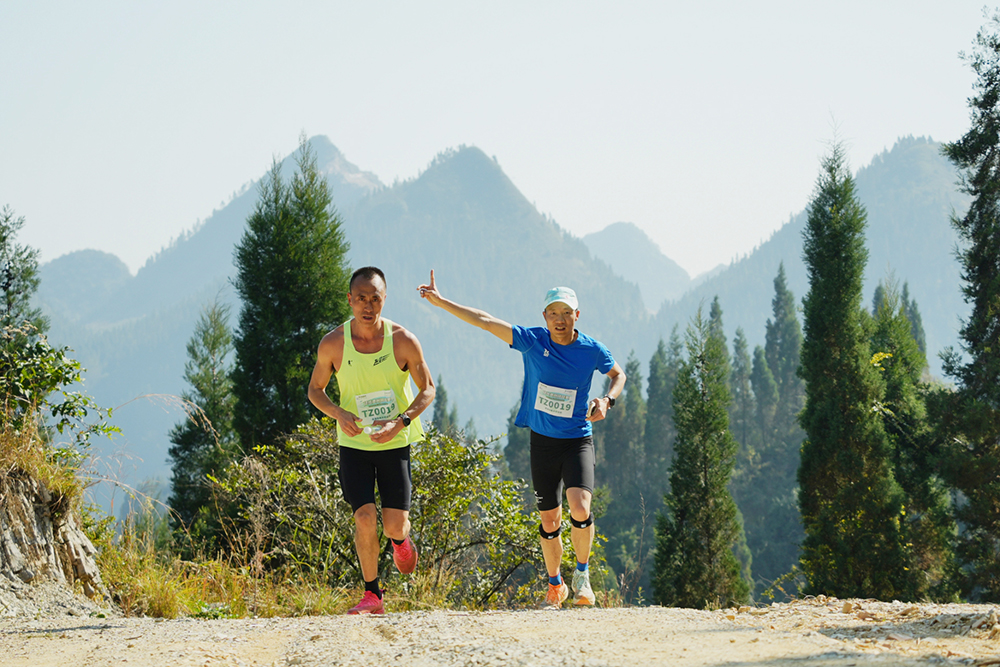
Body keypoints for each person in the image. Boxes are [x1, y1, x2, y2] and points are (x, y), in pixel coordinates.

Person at [417, 270, 625, 608]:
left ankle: (583, 577)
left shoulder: (591, 349)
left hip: (577, 440)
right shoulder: (533, 340)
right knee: (549, 519)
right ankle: (556, 583)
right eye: (553, 313)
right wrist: (440, 302)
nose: (560, 320)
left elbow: (618, 374)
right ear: (544, 317)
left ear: (577, 315)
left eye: (566, 313)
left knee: (580, 507)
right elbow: (485, 321)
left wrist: (607, 400)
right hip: (542, 442)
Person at [308, 266, 436, 615]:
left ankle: (400, 540)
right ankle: (373, 595)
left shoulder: (404, 340)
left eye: (375, 298)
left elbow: (428, 389)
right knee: (364, 517)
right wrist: (337, 413)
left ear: (384, 300)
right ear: (349, 300)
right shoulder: (333, 343)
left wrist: (401, 422)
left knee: (393, 523)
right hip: (354, 445)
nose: (368, 305)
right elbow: (315, 390)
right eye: (361, 298)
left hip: (395, 442)